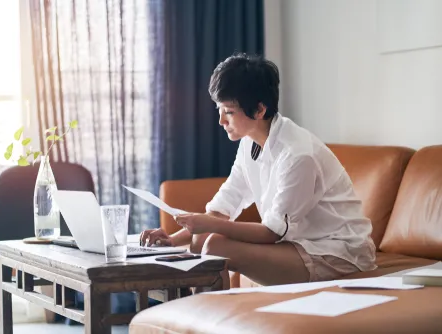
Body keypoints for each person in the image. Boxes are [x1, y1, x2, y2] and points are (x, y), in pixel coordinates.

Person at [140, 53, 376, 289]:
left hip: (337, 253)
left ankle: (215, 318)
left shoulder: (298, 155)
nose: (221, 120)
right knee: (205, 239)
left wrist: (210, 225)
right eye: (219, 109)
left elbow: (271, 233)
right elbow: (223, 209)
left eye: (229, 111)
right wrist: (172, 240)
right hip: (298, 244)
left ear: (260, 110)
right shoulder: (249, 142)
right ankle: (204, 316)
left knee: (215, 246)